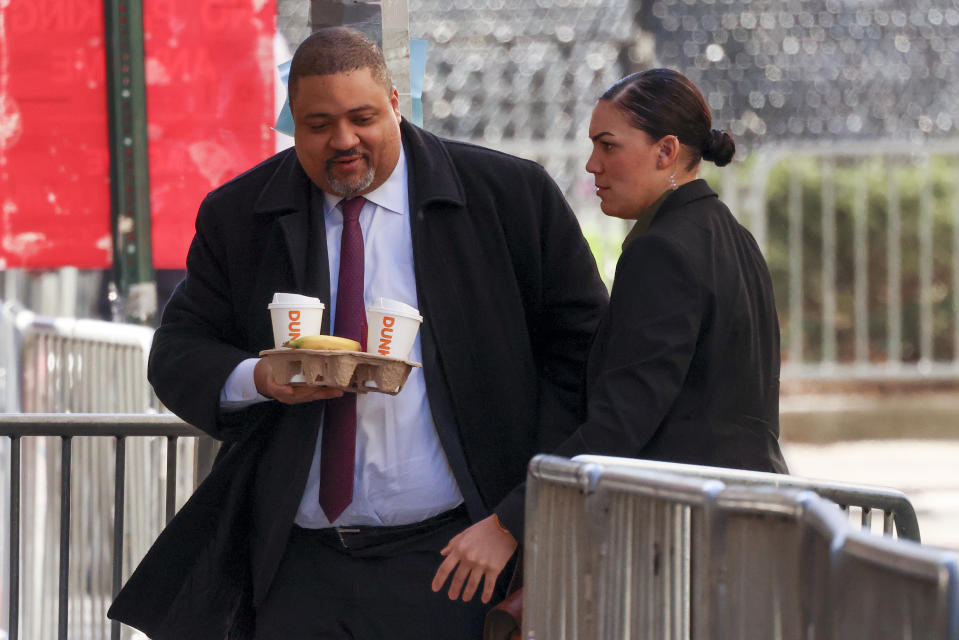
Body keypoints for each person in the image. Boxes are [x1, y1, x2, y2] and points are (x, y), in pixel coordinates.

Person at [107, 27, 607, 640]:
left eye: (362, 117)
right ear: (292, 123)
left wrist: (514, 520)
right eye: (318, 125)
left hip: (456, 558)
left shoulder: (509, 198)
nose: (343, 141)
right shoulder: (240, 215)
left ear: (396, 103)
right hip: (296, 565)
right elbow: (179, 353)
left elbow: (583, 361)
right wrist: (261, 378)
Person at [549, 68, 789, 471]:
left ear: (666, 152)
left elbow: (622, 423)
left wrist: (517, 511)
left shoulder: (661, 250)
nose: (592, 165)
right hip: (743, 507)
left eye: (608, 146)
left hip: (688, 516)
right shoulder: (732, 235)